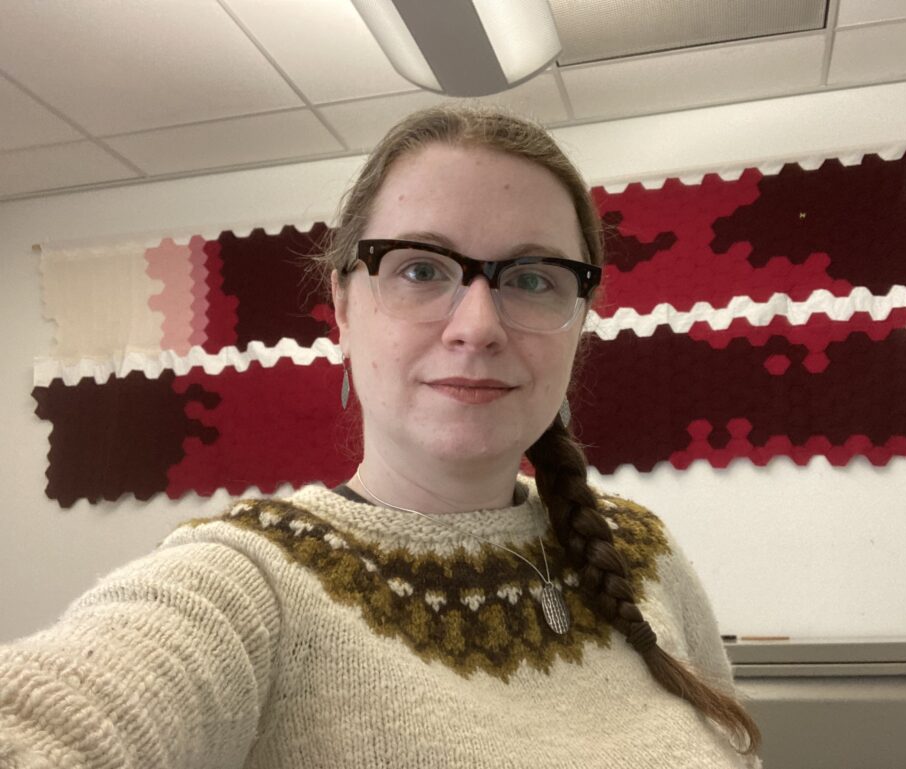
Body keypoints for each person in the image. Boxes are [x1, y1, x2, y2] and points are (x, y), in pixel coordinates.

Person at [0, 105, 761, 767]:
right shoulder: (252, 580)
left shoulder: (642, 555)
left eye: (533, 279)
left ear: (580, 318)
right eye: (422, 269)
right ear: (343, 304)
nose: (477, 327)